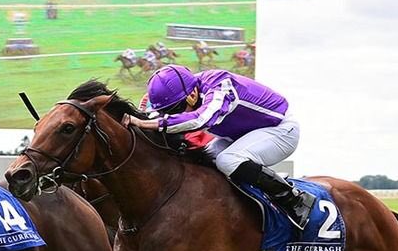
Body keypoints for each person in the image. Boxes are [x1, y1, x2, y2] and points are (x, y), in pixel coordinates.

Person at [127, 64, 315, 230]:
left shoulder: (220, 86)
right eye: (165, 112)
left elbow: (200, 118)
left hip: (280, 131)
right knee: (205, 161)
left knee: (228, 160)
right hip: (242, 135)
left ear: (192, 95)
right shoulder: (185, 92)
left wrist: (147, 124)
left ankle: (295, 199)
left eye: (174, 111)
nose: (171, 115)